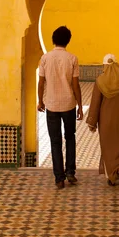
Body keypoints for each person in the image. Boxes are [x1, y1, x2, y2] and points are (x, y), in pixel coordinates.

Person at [37, 26, 83, 189]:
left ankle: (59, 178)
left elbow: (41, 82)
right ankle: (70, 171)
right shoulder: (72, 58)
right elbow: (76, 85)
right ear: (68, 40)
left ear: (53, 39)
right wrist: (80, 106)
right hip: (68, 103)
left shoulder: (45, 58)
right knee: (70, 137)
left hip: (52, 104)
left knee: (55, 141)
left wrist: (40, 101)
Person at [86, 54, 119, 186]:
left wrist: (92, 121)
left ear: (105, 66)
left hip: (107, 122)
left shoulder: (100, 80)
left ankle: (112, 175)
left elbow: (95, 103)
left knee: (109, 149)